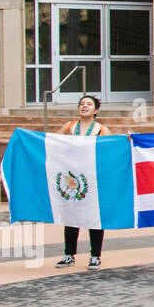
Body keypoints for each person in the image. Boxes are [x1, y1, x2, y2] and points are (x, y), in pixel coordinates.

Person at [54, 95, 111, 271]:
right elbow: (53, 143)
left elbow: (109, 151)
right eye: (81, 104)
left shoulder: (102, 130)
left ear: (96, 110)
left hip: (92, 178)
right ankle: (69, 254)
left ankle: (95, 255)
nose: (84, 106)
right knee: (71, 214)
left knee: (94, 216)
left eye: (89, 104)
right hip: (72, 177)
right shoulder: (69, 127)